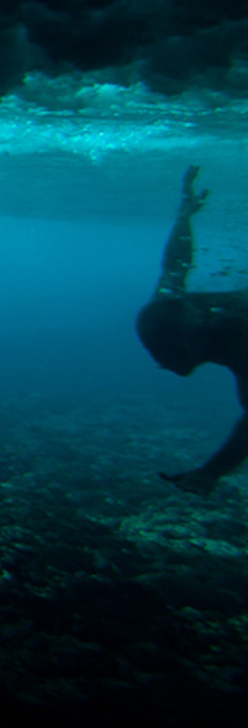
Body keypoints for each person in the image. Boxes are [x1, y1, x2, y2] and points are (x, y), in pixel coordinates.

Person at [136, 165, 248, 496]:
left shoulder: (238, 340)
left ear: (197, 337)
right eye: (158, 354)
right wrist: (185, 214)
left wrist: (211, 472)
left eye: (171, 354)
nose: (164, 364)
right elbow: (175, 265)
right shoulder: (170, 310)